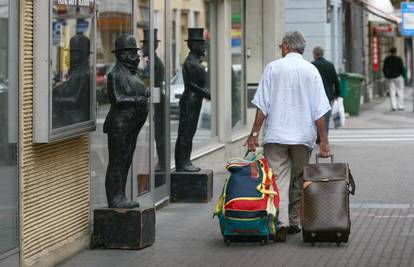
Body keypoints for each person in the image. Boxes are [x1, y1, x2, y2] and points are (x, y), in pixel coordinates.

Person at [246, 31, 331, 241]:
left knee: (277, 179)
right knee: (299, 178)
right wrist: (325, 142)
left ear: (285, 47)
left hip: (276, 135)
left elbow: (262, 106)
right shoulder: (311, 71)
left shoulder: (272, 68)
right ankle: (294, 221)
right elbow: (319, 111)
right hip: (303, 137)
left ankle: (281, 222)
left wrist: (253, 134)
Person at [103, 34, 150, 209]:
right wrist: (136, 100)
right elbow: (116, 99)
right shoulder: (114, 74)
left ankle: (121, 194)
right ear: (122, 54)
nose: (137, 56)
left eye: (136, 52)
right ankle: (115, 197)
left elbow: (135, 90)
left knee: (126, 160)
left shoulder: (133, 72)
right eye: (132, 52)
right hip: (120, 125)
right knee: (117, 162)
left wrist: (143, 94)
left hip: (132, 125)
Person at [175, 28, 211, 172]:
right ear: (194, 46)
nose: (204, 47)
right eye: (201, 44)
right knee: (186, 133)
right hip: (190, 101)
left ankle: (185, 160)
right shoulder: (191, 62)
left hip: (195, 101)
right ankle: (183, 163)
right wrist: (206, 93)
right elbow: (192, 85)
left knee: (189, 132)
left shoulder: (196, 61)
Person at [52, 34, 91, 128]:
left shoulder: (85, 73)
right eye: (70, 52)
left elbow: (75, 99)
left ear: (84, 54)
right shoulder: (69, 70)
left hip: (74, 119)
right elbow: (55, 86)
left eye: (75, 52)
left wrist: (53, 100)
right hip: (63, 116)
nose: (70, 55)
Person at [312, 46, 340, 133]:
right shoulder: (330, 65)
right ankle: (325, 136)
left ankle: (317, 136)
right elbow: (336, 81)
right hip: (328, 95)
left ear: (314, 54)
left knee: (316, 117)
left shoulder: (312, 65)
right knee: (326, 118)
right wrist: (337, 95)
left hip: (315, 96)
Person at [383, 47, 405, 111]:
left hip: (391, 78)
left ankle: (393, 107)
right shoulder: (399, 59)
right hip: (398, 77)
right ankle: (401, 106)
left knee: (392, 92)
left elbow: (384, 68)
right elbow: (402, 68)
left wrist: (386, 75)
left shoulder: (387, 59)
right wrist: (402, 76)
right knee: (400, 91)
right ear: (396, 51)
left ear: (390, 51)